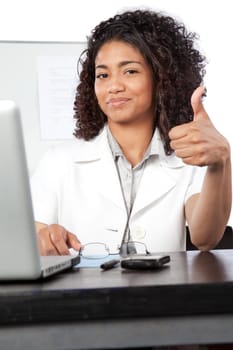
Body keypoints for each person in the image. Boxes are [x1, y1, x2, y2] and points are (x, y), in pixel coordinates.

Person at [31, 9, 232, 257]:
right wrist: (44, 238)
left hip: (163, 295)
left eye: (130, 71)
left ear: (161, 77)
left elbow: (205, 238)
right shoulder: (58, 161)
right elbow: (32, 240)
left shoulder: (189, 157)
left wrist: (221, 161)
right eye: (103, 75)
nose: (114, 86)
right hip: (84, 296)